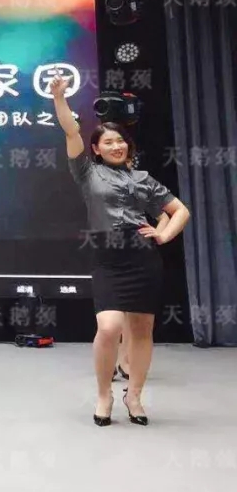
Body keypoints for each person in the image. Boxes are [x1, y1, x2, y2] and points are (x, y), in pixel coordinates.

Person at [50, 75, 189, 426]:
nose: (116, 146)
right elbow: (71, 131)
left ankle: (134, 396)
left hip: (142, 256)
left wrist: (162, 235)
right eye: (108, 142)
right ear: (96, 149)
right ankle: (104, 394)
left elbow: (180, 211)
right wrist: (59, 98)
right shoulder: (87, 172)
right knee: (110, 326)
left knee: (141, 330)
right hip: (107, 256)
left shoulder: (143, 179)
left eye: (120, 141)